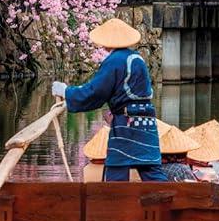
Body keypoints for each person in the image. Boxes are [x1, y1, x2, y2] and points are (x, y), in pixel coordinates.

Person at [52, 18, 167, 182]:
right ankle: (168, 201)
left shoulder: (114, 61)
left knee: (116, 170)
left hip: (127, 123)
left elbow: (95, 92)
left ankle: (114, 205)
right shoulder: (137, 58)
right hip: (147, 122)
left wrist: (67, 91)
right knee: (151, 169)